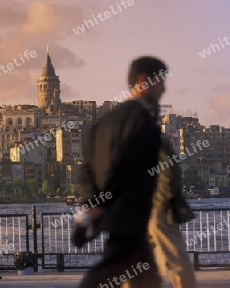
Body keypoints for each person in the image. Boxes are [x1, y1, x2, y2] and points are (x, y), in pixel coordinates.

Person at [74, 56, 168, 288]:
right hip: (128, 214)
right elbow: (124, 164)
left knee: (146, 276)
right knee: (106, 274)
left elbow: (87, 167)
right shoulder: (141, 119)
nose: (164, 89)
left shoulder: (103, 121)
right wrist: (102, 203)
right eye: (160, 82)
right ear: (143, 81)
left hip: (121, 216)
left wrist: (92, 202)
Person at [148, 133, 197, 288]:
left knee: (175, 257)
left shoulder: (152, 138)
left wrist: (160, 203)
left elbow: (170, 172)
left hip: (155, 209)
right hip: (141, 209)